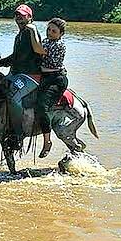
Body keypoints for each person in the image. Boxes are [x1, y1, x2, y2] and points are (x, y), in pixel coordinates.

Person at [0, 4, 42, 151]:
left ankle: (18, 135)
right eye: (17, 15)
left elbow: (34, 53)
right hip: (17, 74)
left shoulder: (31, 33)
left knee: (13, 96)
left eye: (22, 15)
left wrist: (1, 63)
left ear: (30, 17)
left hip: (30, 76)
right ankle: (1, 125)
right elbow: (16, 57)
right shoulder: (19, 35)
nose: (19, 17)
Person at [30, 18, 68, 158]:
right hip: (44, 77)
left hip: (56, 80)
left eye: (54, 31)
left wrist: (33, 30)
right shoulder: (46, 41)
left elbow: (37, 49)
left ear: (61, 34)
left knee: (41, 106)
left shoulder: (58, 45)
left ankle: (47, 141)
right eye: (48, 30)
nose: (50, 33)